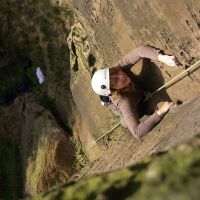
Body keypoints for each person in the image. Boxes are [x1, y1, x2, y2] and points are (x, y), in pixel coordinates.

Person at [91, 45, 180, 139]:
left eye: (115, 73)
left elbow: (139, 51)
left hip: (135, 92)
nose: (120, 76)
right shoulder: (124, 102)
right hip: (129, 108)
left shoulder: (119, 68)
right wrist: (160, 112)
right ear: (113, 90)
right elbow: (137, 132)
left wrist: (161, 57)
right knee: (125, 122)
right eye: (115, 81)